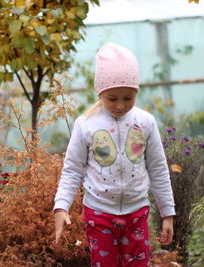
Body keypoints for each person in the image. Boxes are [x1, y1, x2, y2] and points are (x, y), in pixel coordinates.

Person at [53, 43, 175, 267]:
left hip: (137, 214)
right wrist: (61, 206)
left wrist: (167, 213)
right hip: (99, 214)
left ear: (136, 92)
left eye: (128, 98)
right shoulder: (86, 125)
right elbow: (72, 170)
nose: (120, 105)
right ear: (100, 92)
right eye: (112, 98)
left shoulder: (145, 122)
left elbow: (158, 169)